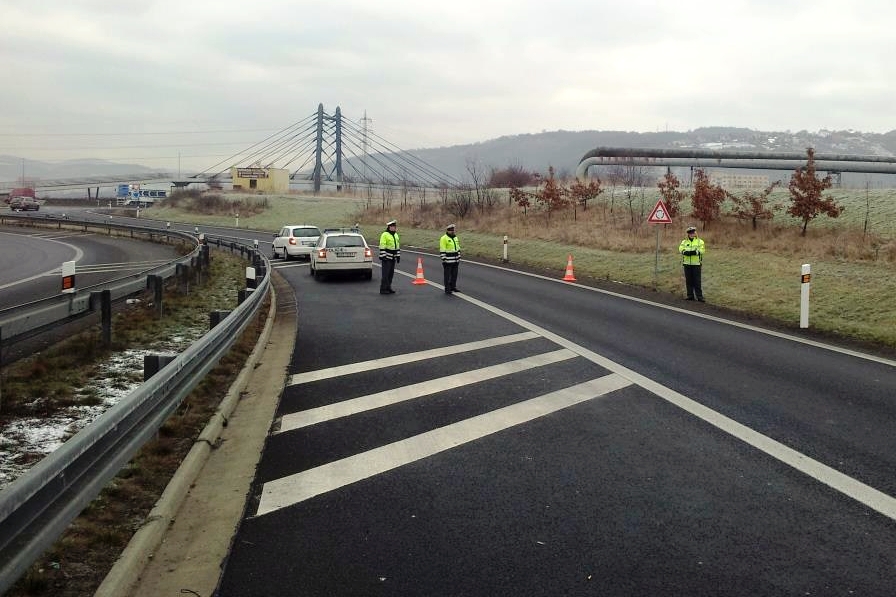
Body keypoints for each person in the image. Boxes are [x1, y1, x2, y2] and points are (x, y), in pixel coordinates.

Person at [678, 225, 705, 302]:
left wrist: (694, 252)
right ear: (688, 234)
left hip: (696, 264)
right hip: (687, 264)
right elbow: (680, 249)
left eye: (693, 232)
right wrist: (685, 252)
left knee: (697, 281)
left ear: (695, 233)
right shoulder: (684, 242)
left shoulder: (700, 241)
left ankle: (699, 297)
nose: (692, 234)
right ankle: (690, 295)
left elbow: (702, 250)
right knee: (689, 281)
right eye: (690, 233)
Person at [378, 219, 400, 294]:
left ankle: (388, 287)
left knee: (391, 274)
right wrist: (383, 256)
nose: (394, 228)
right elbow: (382, 245)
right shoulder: (385, 234)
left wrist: (398, 256)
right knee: (385, 274)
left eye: (395, 226)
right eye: (393, 226)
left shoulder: (396, 235)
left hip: (393, 258)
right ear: (389, 227)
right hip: (386, 258)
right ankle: (383, 289)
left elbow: (397, 246)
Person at [439, 224, 461, 294]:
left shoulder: (455, 237)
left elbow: (458, 248)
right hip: (447, 261)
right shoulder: (443, 238)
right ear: (448, 231)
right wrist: (444, 259)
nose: (453, 231)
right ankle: (447, 289)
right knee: (447, 276)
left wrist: (459, 257)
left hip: (455, 260)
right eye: (451, 230)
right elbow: (442, 249)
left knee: (454, 275)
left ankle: (453, 287)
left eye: (453, 230)